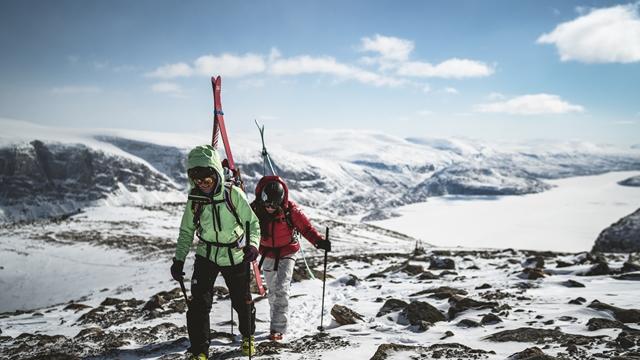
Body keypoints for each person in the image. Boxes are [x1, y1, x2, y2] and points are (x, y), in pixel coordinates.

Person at [170, 145, 261, 359]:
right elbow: (186, 231)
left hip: (235, 255)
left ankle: (248, 337)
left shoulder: (232, 194)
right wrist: (178, 260)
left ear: (216, 174)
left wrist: (254, 245)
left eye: (207, 181)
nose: (203, 185)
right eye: (197, 181)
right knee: (199, 305)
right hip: (206, 255)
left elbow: (253, 224)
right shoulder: (195, 199)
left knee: (242, 300)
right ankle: (200, 351)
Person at [251, 175, 331, 341]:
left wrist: (319, 241)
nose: (270, 208)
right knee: (273, 290)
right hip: (266, 252)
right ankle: (276, 319)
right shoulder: (254, 209)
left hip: (287, 251)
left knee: (281, 288)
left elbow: (306, 228)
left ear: (280, 201)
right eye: (267, 204)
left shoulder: (290, 210)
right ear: (262, 198)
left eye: (274, 205)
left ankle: (277, 329)